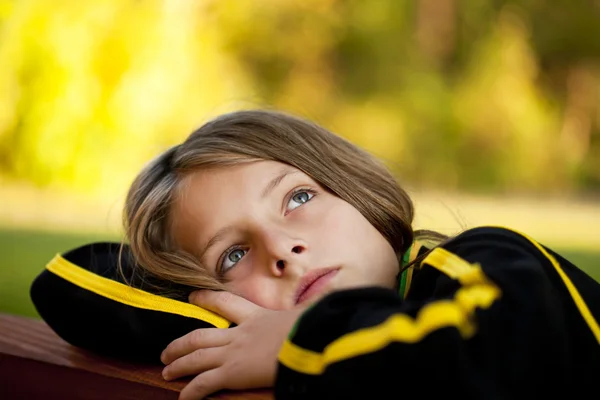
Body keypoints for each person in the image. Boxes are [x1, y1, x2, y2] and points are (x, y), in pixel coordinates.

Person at [122, 109, 600, 400]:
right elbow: (72, 282)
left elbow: (502, 352)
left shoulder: (484, 259)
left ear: (354, 189)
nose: (282, 250)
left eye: (299, 198)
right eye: (233, 255)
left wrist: (304, 341)